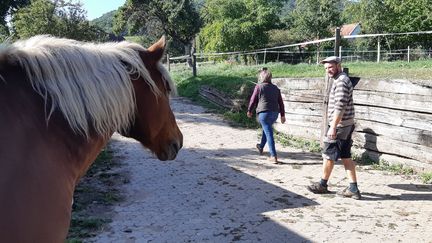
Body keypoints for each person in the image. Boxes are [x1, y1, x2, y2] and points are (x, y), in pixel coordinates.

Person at [307, 56, 361, 200]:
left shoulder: (342, 81)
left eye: (330, 67)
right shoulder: (339, 79)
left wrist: (333, 127)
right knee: (346, 156)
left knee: (329, 155)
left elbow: (340, 106)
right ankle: (353, 189)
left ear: (338, 65)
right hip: (345, 124)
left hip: (340, 126)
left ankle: (322, 185)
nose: (328, 71)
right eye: (326, 68)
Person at [247, 67, 286, 163]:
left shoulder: (259, 87)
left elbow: (253, 99)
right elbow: (280, 103)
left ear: (262, 77)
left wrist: (249, 110)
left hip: (264, 113)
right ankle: (260, 146)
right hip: (274, 114)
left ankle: (273, 156)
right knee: (267, 129)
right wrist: (282, 115)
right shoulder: (276, 88)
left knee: (269, 133)